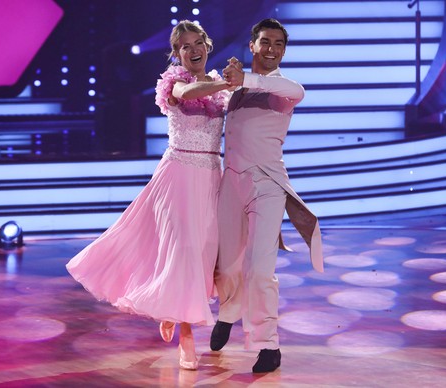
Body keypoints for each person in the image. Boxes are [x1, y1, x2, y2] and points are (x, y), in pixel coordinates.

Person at [66, 20, 231, 370]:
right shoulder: (175, 82)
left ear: (207, 44)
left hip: (212, 177)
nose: (193, 49)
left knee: (203, 255)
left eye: (197, 42)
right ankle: (187, 336)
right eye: (184, 46)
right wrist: (226, 82)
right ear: (176, 54)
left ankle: (171, 308)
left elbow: (237, 105)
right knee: (183, 251)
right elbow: (188, 96)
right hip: (178, 175)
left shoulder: (218, 87)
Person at [210, 18, 324, 373]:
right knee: (226, 265)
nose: (271, 48)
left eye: (278, 43)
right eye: (265, 42)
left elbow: (299, 91)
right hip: (231, 183)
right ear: (252, 45)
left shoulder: (282, 88)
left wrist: (245, 78)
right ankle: (228, 313)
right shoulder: (234, 89)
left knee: (260, 269)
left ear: (284, 49)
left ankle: (268, 345)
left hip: (268, 185)